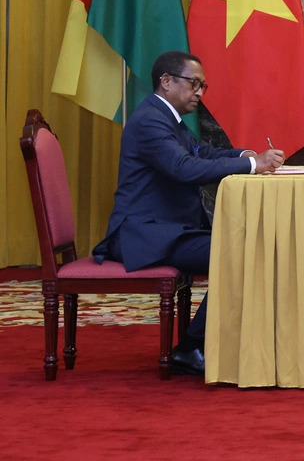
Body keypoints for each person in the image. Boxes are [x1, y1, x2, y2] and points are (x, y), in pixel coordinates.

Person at [93, 51, 284, 375]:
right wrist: (254, 165)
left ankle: (208, 344)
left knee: (245, 246)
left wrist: (245, 153)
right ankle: (192, 347)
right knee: (239, 250)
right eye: (193, 83)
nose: (199, 92)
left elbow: (203, 152)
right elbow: (183, 168)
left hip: (166, 230)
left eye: (203, 86)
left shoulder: (168, 119)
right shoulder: (151, 120)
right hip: (143, 234)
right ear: (166, 82)